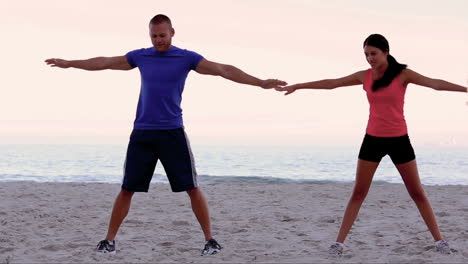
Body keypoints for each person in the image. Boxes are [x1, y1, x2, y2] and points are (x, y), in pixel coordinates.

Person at [45, 14, 286, 256]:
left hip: (172, 132)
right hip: (142, 133)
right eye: (154, 36)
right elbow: (105, 61)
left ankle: (210, 240)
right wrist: (70, 63)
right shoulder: (141, 56)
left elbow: (223, 69)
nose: (158, 40)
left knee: (191, 187)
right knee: (127, 188)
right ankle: (109, 241)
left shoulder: (186, 58)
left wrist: (260, 83)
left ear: (172, 32)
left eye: (162, 35)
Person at [276, 34, 467, 256]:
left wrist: (465, 89)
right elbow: (332, 84)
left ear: (386, 52)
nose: (369, 58)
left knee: (417, 192)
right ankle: (338, 244)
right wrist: (299, 86)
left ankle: (440, 241)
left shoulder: (403, 74)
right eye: (366, 54)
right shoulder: (363, 76)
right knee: (359, 192)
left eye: (373, 53)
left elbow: (435, 84)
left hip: (399, 140)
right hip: (372, 140)